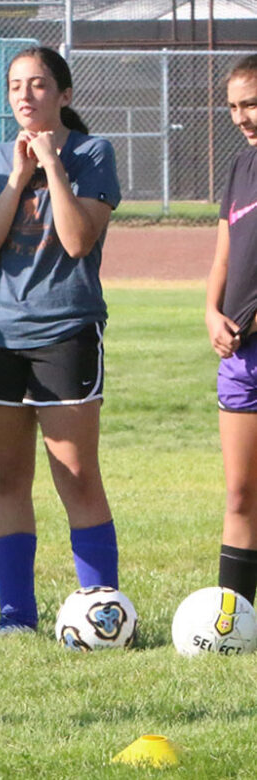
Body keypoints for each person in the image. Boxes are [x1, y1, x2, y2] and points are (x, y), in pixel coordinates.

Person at [0, 46, 121, 636]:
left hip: (66, 331)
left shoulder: (92, 152)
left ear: (64, 94)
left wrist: (53, 166)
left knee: (76, 474)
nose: (25, 96)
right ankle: (16, 616)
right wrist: (17, 178)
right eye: (15, 87)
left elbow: (79, 240)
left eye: (37, 85)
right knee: (7, 477)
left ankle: (100, 609)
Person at [204, 54, 257, 607]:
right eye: (234, 107)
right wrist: (211, 311)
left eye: (251, 103)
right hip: (242, 358)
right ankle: (233, 619)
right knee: (240, 493)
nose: (243, 116)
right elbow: (222, 256)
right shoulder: (241, 168)